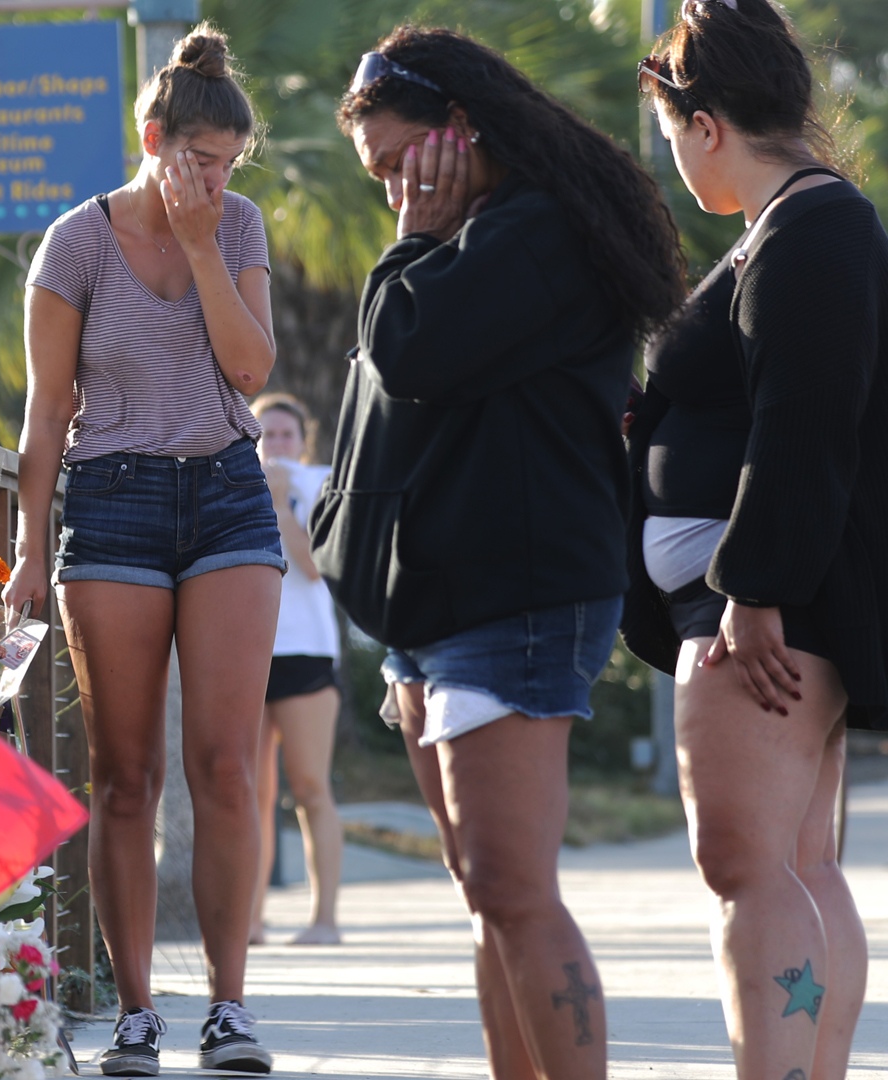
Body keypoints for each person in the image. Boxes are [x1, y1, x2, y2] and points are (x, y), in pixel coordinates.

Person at [311, 26, 687, 1080]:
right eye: (380, 176)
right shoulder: (486, 231)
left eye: (396, 164)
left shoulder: (533, 235)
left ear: (458, 132)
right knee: (488, 891)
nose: (393, 191)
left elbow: (410, 350)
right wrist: (428, 234)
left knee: (513, 890)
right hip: (450, 604)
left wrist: (414, 237)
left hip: (511, 604)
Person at [3, 22, 282, 1078]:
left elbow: (252, 370)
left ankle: (229, 1007)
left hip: (226, 498)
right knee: (126, 775)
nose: (213, 180)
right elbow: (45, 411)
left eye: (226, 167)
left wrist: (206, 240)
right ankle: (133, 1014)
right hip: (111, 503)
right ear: (153, 135)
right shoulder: (75, 242)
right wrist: (32, 549)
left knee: (222, 764)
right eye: (198, 161)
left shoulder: (239, 227)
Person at [624, 1, 888, 1076]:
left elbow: (806, 420)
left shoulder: (812, 229)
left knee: (747, 862)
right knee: (790, 860)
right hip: (758, 595)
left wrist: (754, 588)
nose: (678, 162)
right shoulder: (795, 226)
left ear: (707, 122)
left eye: (671, 135)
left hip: (764, 608)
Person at [245, 393, 342, 947]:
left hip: (306, 655)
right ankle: (250, 920)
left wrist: (281, 505)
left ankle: (324, 919)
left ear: (304, 441)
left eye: (285, 434)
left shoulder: (324, 485)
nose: (276, 444)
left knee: (309, 786)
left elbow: (314, 568)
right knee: (250, 791)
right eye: (265, 433)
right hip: (247, 654)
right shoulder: (230, 481)